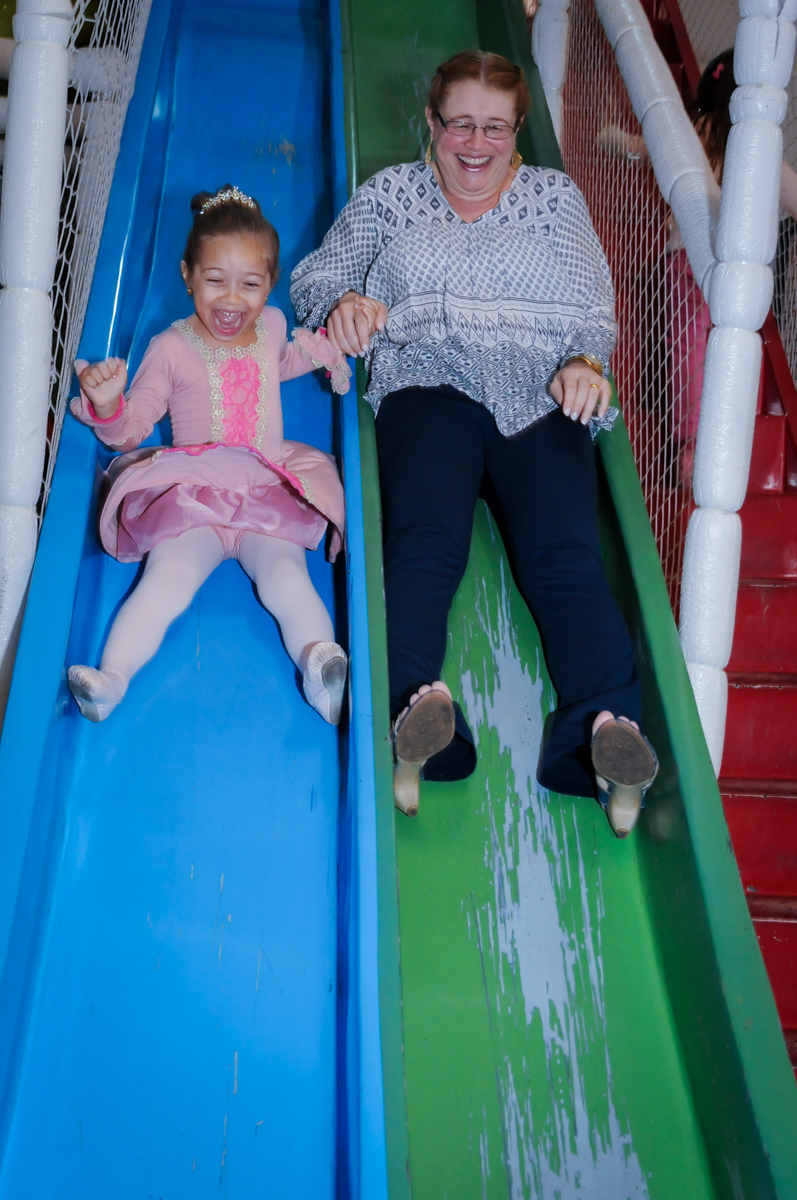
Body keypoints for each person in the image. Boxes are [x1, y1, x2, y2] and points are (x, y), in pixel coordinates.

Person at [290, 50, 658, 835]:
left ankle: (605, 730)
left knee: (564, 556)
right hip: (428, 383)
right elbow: (314, 280)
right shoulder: (392, 195)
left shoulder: (552, 199)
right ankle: (413, 707)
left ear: (517, 129)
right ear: (432, 123)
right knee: (423, 542)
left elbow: (592, 310)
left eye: (494, 127)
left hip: (541, 395)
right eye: (460, 123)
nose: (476, 144)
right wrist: (346, 301)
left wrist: (584, 363)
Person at [68, 185, 351, 726]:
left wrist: (327, 349)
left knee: (286, 576)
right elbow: (133, 429)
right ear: (188, 275)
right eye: (215, 280)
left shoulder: (271, 325)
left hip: (266, 491)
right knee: (166, 579)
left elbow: (280, 361)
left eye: (251, 285)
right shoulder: (170, 348)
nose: (231, 300)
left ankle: (321, 669)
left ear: (270, 284)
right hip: (194, 498)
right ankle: (112, 680)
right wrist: (108, 405)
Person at [600, 48, 797, 484]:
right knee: (730, 353)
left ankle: (690, 450)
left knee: (687, 353)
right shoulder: (760, 149)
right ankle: (723, 449)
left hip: (686, 257)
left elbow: (642, 148)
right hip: (740, 271)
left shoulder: (694, 130)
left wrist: (609, 137)